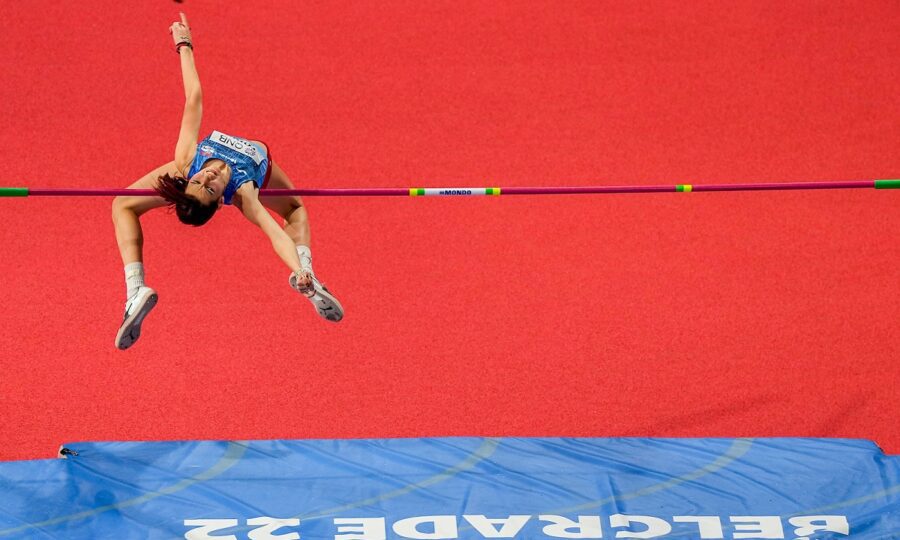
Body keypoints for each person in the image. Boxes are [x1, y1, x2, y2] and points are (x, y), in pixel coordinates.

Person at [111, 13, 343, 350]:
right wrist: (295, 266)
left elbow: (193, 97)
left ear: (190, 179)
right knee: (294, 210)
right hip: (259, 166)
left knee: (123, 202)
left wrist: (183, 44)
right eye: (211, 187)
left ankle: (306, 279)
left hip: (198, 162)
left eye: (199, 182)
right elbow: (273, 232)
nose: (209, 177)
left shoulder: (188, 161)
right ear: (222, 200)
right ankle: (135, 291)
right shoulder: (245, 193)